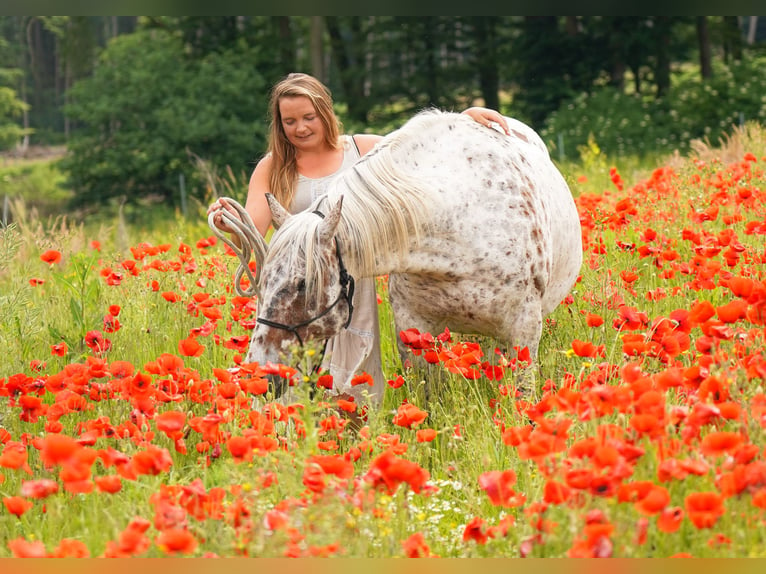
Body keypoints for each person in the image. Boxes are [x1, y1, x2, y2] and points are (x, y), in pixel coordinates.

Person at [208, 72, 510, 409]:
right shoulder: (273, 167)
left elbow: (422, 155)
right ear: (279, 123)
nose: (301, 128)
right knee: (297, 385)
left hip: (349, 287)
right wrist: (230, 222)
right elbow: (254, 228)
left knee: (354, 392)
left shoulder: (361, 149)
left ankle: (354, 450)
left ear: (325, 112)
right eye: (289, 120)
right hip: (300, 291)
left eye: (309, 117)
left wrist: (462, 120)